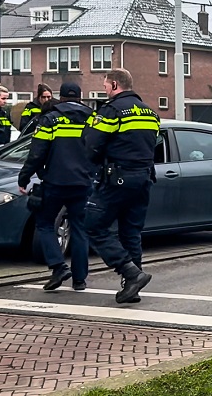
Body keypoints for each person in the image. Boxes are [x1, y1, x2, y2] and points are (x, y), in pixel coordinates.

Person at [83, 69, 160, 304]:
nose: (105, 89)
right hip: (144, 178)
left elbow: (91, 143)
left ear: (115, 84)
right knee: (131, 232)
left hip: (117, 179)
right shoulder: (150, 112)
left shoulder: (111, 110)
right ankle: (131, 288)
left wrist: (95, 164)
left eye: (105, 85)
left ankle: (130, 272)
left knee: (93, 226)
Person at [17, 83, 94, 291]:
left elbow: (36, 152)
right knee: (79, 228)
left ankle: (58, 266)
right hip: (83, 182)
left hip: (55, 181)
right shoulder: (93, 119)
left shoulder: (50, 118)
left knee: (43, 223)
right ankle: (79, 280)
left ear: (60, 97)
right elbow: (101, 149)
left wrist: (24, 178)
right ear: (80, 97)